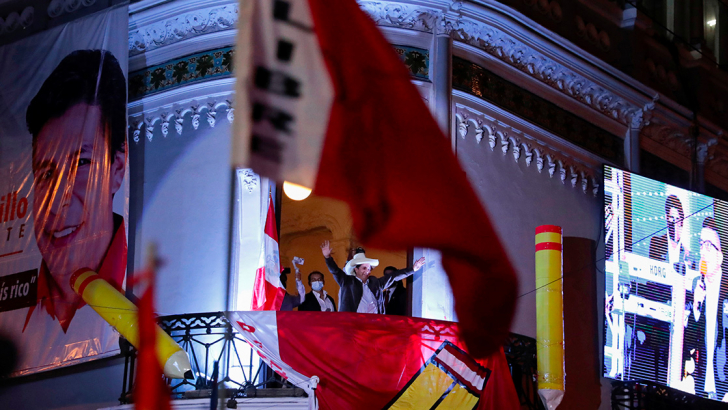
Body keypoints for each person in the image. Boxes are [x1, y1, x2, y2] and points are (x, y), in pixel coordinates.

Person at [23, 49, 127, 333]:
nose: (57, 201)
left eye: (81, 163)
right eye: (46, 174)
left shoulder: (147, 319)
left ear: (117, 168)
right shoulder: (16, 318)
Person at [320, 241, 425, 314]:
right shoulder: (347, 281)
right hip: (352, 325)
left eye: (369, 268)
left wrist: (413, 269)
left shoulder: (375, 282)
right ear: (356, 269)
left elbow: (393, 277)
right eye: (364, 268)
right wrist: (327, 257)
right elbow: (335, 271)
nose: (367, 271)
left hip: (374, 325)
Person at [699, 216, 728, 400]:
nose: (703, 251)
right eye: (701, 244)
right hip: (696, 388)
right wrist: (695, 304)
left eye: (709, 245)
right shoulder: (694, 284)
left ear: (720, 256)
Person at [649, 195, 690, 274]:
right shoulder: (656, 243)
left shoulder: (688, 254)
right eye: (672, 218)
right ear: (666, 217)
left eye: (677, 219)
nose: (674, 223)